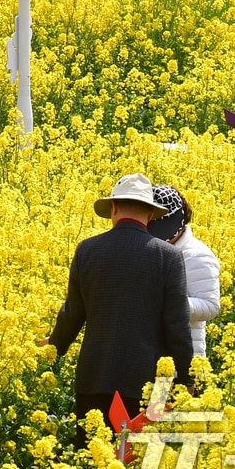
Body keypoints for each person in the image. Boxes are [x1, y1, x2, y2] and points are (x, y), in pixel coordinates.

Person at [41, 174, 193, 446]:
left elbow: (73, 313)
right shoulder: (168, 257)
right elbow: (177, 328)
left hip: (94, 378)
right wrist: (186, 379)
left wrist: (55, 344)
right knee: (136, 468)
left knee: (90, 461)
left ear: (113, 208)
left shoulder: (87, 250)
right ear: (150, 213)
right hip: (146, 384)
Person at [148, 186, 221, 359]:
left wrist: (166, 301)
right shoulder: (147, 248)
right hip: (146, 357)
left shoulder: (198, 255)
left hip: (179, 362)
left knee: (166, 387)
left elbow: (210, 306)